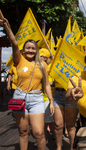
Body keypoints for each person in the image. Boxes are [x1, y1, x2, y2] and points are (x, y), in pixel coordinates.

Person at [0, 18, 54, 150]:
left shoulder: (42, 65)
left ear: (37, 51)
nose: (30, 50)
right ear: (23, 50)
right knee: (23, 132)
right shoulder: (19, 60)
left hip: (37, 99)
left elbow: (46, 84)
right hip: (20, 98)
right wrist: (7, 26)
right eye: (28, 48)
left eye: (33, 48)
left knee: (39, 133)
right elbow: (14, 42)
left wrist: (51, 101)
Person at [53, 81, 78, 150]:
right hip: (57, 93)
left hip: (71, 93)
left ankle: (72, 148)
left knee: (70, 125)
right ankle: (58, 147)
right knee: (58, 125)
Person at [39, 48, 55, 145]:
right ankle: (42, 140)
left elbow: (54, 81)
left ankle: (56, 137)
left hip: (47, 98)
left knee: (49, 121)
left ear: (45, 58)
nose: (40, 58)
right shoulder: (35, 66)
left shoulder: (51, 67)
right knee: (40, 122)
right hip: (37, 97)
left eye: (42, 56)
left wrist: (47, 83)